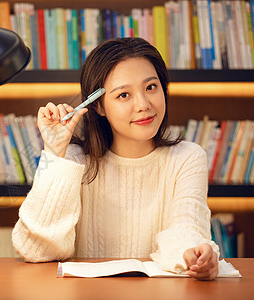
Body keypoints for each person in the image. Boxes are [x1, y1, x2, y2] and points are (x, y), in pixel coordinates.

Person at [12, 37, 219, 280]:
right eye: (123, 95)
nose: (143, 105)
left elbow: (186, 228)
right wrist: (55, 153)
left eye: (151, 87)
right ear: (98, 105)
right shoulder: (72, 161)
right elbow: (35, 250)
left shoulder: (187, 158)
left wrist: (194, 254)